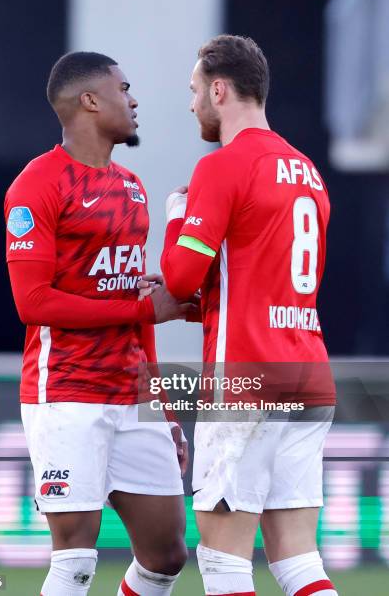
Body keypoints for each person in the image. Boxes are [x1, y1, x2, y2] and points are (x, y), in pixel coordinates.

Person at [142, 35, 338, 596]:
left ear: (219, 89)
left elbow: (179, 278)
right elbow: (263, 283)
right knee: (299, 561)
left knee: (225, 562)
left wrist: (177, 216)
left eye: (194, 90)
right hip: (309, 378)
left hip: (247, 382)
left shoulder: (224, 168)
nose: (191, 104)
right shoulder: (308, 172)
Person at [4, 51, 191, 596]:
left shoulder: (133, 188)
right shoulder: (37, 185)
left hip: (132, 396)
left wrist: (161, 404)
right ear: (89, 101)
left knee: (166, 557)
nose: (133, 100)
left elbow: (140, 306)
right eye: (124, 88)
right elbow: (33, 302)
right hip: (66, 392)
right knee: (76, 562)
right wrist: (139, 309)